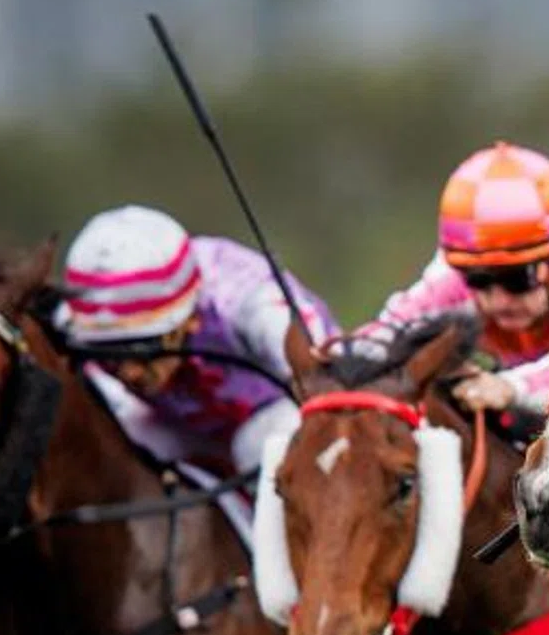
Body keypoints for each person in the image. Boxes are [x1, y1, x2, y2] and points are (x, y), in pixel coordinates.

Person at [55, 204, 339, 478]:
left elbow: (332, 380)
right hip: (177, 428)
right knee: (126, 442)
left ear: (190, 318)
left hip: (272, 416)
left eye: (143, 350)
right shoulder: (69, 323)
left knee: (261, 444)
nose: (129, 371)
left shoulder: (250, 301)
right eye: (108, 354)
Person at [370, 142, 549, 420]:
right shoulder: (460, 265)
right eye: (479, 280)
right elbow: (385, 334)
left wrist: (512, 387)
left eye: (516, 279)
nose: (499, 300)